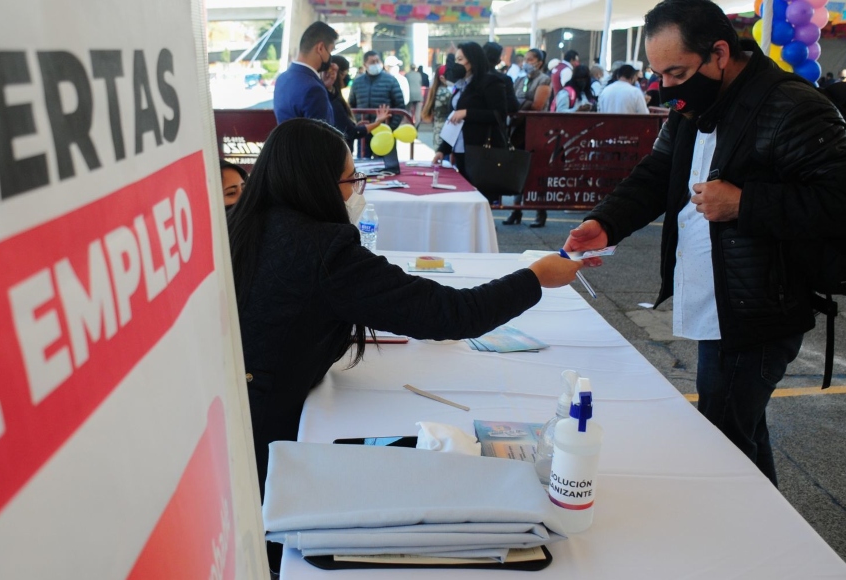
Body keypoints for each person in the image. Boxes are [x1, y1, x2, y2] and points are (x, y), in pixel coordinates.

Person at [563, 0, 846, 486]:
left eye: (677, 71)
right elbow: (658, 173)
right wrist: (607, 223)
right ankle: (775, 545)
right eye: (658, 73)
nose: (666, 86)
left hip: (758, 310)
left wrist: (745, 204)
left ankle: (750, 552)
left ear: (720, 54)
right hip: (719, 301)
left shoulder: (791, 106)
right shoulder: (697, 102)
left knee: (723, 441)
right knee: (739, 433)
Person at [228, 117, 584, 493]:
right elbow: (452, 314)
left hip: (232, 414)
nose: (356, 193)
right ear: (316, 184)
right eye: (351, 181)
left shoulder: (240, 223)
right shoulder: (323, 251)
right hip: (266, 436)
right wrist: (536, 276)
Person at [431, 42, 510, 185]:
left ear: (473, 60)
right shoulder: (460, 85)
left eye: (460, 60)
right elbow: (454, 120)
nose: (456, 64)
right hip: (460, 149)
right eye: (455, 60)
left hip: (482, 150)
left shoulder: (490, 82)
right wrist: (443, 150)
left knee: (479, 193)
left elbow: (499, 115)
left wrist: (467, 113)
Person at [509, 48, 552, 227]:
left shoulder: (544, 79)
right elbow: (511, 100)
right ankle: (516, 211)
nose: (526, 62)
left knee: (538, 172)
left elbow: (538, 105)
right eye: (525, 59)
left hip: (537, 132)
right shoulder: (520, 79)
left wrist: (519, 106)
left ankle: (540, 213)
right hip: (519, 130)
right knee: (518, 171)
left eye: (531, 59)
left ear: (539, 62)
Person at [272, 22, 338, 124]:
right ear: (320, 48)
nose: (330, 56)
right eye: (330, 50)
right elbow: (323, 137)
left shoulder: (282, 78)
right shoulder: (313, 89)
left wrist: (326, 87)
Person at [325, 55, 392, 147]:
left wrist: (353, 124)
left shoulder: (333, 97)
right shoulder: (333, 100)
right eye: (345, 74)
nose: (347, 78)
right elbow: (353, 132)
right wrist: (377, 123)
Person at [348, 50, 406, 133]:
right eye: (372, 62)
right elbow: (351, 105)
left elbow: (400, 105)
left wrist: (391, 127)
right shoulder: (357, 82)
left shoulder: (391, 80)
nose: (376, 64)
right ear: (365, 65)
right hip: (364, 131)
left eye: (377, 61)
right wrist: (358, 122)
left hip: (385, 131)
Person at [483, 41, 522, 117]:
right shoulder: (504, 79)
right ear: (498, 60)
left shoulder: (472, 77)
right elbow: (513, 106)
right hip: (493, 124)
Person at [420, 64, 453, 150]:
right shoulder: (445, 93)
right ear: (442, 78)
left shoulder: (437, 90)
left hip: (437, 132)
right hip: (445, 133)